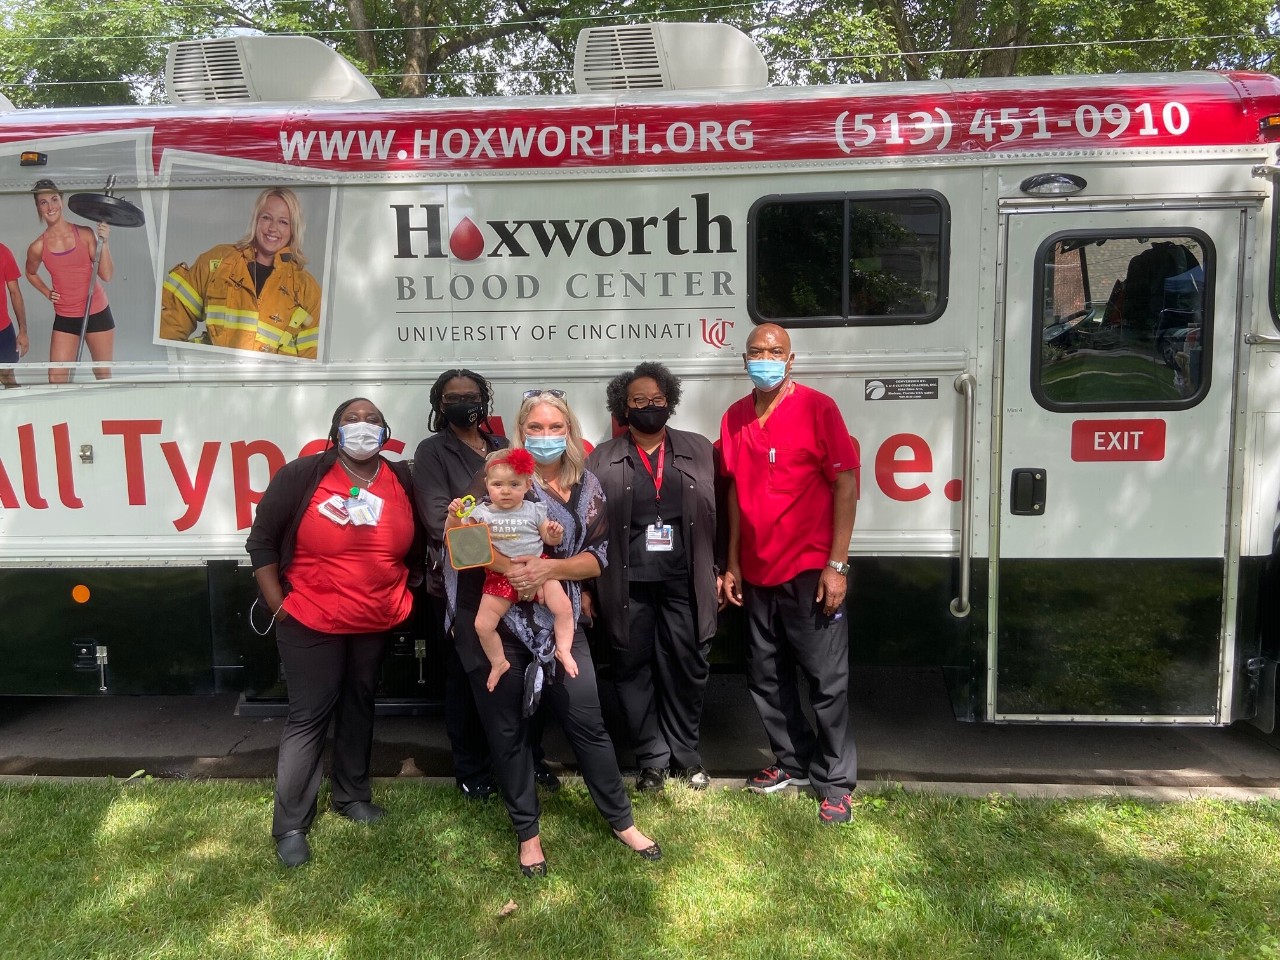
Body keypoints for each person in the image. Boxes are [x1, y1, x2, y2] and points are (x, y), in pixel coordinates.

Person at [446, 389, 660, 876]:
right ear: (521, 435)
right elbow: (462, 540)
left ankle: (622, 820)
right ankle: (528, 834)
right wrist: (516, 569)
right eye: (535, 429)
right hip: (501, 623)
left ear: (571, 433)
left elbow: (598, 558)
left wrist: (547, 570)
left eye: (555, 428)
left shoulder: (589, 487)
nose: (546, 437)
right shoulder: (502, 480)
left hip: (556, 621)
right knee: (508, 731)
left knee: (587, 720)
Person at [245, 397, 423, 867]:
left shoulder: (400, 478)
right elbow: (261, 539)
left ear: (386, 433)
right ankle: (290, 825)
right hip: (310, 616)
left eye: (372, 420)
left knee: (359, 703)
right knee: (309, 716)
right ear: (335, 430)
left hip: (375, 617)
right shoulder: (303, 475)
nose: (362, 427)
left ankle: (351, 796)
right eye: (352, 420)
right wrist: (277, 604)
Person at [719, 323, 861, 825]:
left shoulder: (818, 409)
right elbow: (735, 492)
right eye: (756, 351)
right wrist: (733, 561)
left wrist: (836, 565)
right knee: (766, 676)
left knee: (826, 679)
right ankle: (792, 763)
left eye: (774, 351)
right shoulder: (735, 417)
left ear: (791, 359)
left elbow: (845, 485)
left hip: (809, 570)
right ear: (744, 360)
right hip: (757, 572)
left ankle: (836, 782)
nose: (765, 359)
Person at [412, 369, 559, 800]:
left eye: (471, 396)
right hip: (467, 587)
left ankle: (528, 760)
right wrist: (510, 562)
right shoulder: (432, 452)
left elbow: (533, 503)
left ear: (486, 400)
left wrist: (530, 562)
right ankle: (472, 769)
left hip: (523, 583)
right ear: (439, 405)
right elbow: (445, 526)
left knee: (525, 673)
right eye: (452, 397)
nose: (463, 403)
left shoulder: (501, 446)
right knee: (470, 678)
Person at [586, 362, 720, 793]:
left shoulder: (699, 449)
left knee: (687, 665)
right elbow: (589, 525)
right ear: (623, 407)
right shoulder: (602, 457)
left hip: (685, 580)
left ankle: (687, 757)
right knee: (631, 667)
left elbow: (720, 513)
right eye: (638, 401)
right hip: (625, 585)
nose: (649, 407)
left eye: (657, 400)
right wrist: (588, 588)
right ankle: (651, 759)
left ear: (670, 402)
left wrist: (720, 569)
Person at [446, 447, 578, 691]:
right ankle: (498, 663)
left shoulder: (535, 510)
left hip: (539, 573)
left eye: (514, 485)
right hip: (498, 577)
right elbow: (458, 538)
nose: (505, 491)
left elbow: (549, 541)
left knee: (565, 609)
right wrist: (454, 515)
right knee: (483, 625)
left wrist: (553, 534)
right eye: (498, 484)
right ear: (486, 485)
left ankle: (564, 649)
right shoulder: (480, 512)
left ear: (528, 485)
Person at [159, 187, 321, 358]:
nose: (273, 228)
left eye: (283, 222)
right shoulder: (218, 262)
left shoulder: (306, 290)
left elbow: (310, 364)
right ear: (256, 220)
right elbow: (170, 328)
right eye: (266, 218)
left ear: (293, 229)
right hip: (212, 381)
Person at [24, 179, 114, 383]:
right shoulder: (38, 246)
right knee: (56, 377)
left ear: (61, 201)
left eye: (54, 199)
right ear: (38, 208)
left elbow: (107, 275)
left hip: (97, 312)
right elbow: (30, 273)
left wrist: (105, 243)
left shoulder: (84, 234)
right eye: (43, 202)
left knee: (103, 376)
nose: (50, 206)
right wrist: (47, 292)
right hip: (66, 316)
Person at [0, 241, 27, 388]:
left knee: (7, 376)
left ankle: (16, 411)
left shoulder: (2, 251)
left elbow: (15, 293)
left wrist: (23, 331)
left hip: (2, 330)